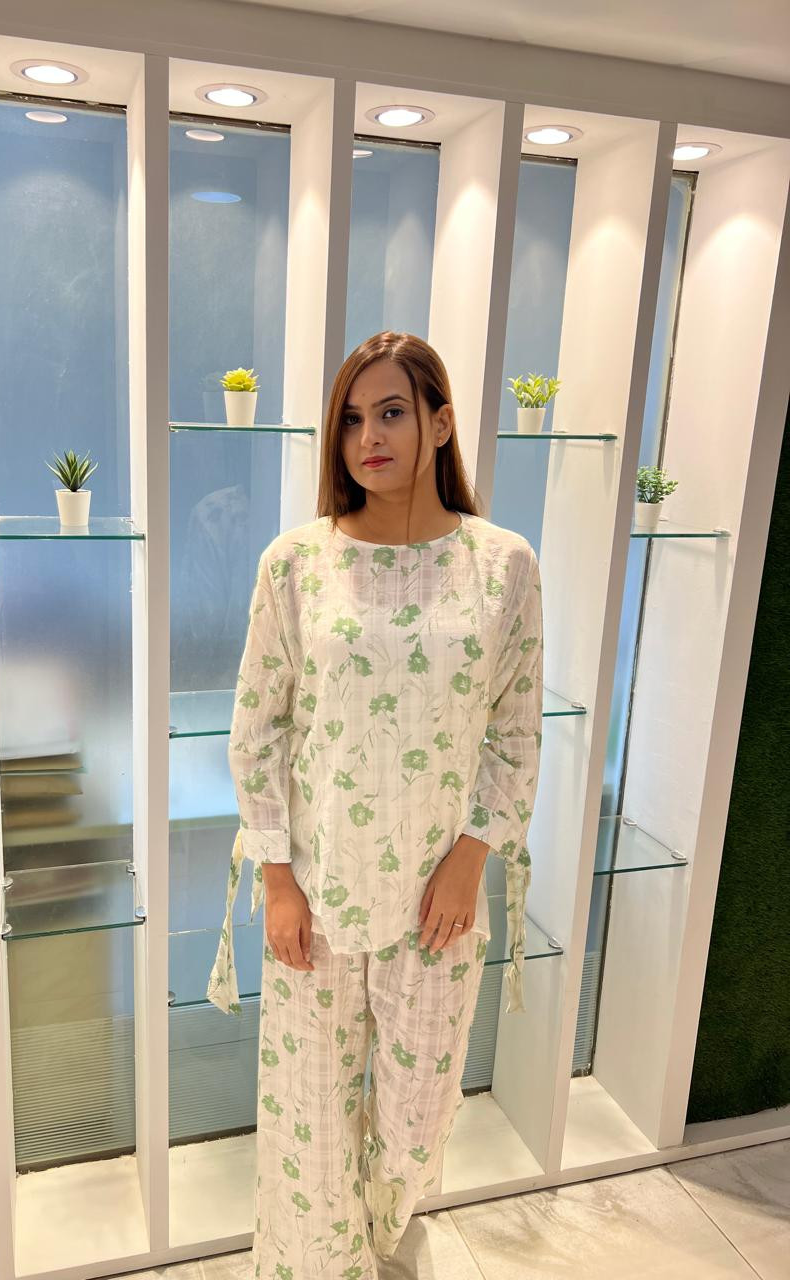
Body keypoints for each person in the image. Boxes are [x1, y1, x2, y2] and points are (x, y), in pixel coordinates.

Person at [207, 331, 544, 1279]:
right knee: (310, 1137)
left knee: (413, 1130)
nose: (369, 437)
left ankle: (380, 1241)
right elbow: (257, 727)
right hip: (316, 902)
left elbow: (517, 729)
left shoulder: (503, 565)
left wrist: (471, 859)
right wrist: (278, 879)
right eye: (352, 418)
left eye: (392, 412)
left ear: (440, 423)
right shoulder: (295, 564)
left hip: (437, 909)